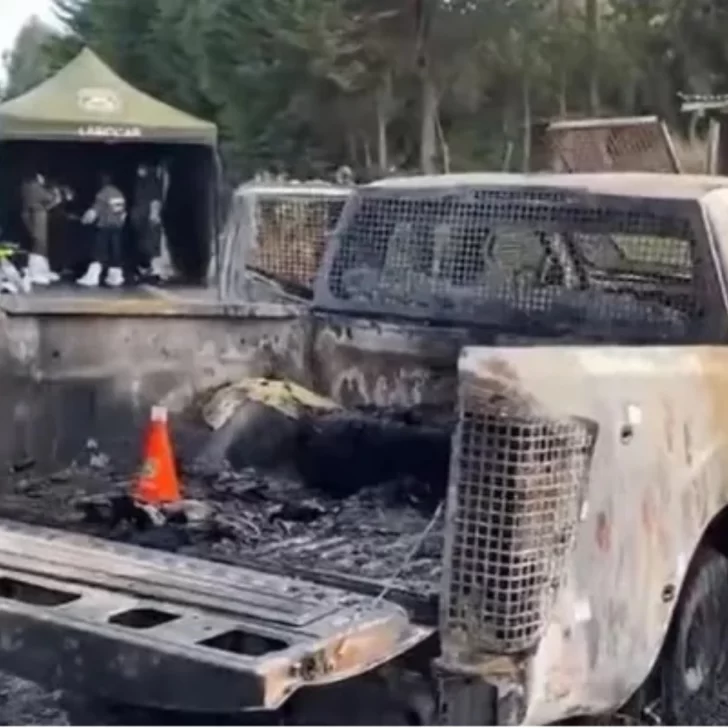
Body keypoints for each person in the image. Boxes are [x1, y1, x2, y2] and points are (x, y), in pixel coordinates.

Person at [77, 174, 127, 288]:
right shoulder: (119, 193)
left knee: (99, 253)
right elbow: (123, 213)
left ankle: (92, 278)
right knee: (115, 253)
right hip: (117, 227)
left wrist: (84, 220)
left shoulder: (103, 193)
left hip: (104, 227)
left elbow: (95, 211)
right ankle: (116, 278)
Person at [20, 173, 61, 285]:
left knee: (40, 241)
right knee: (39, 242)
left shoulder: (26, 186)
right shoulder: (34, 186)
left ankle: (42, 270)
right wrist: (55, 192)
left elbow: (46, 206)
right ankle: (35, 272)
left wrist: (55, 200)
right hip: (36, 215)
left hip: (37, 214)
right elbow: (49, 197)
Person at [130, 164, 164, 280]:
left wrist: (154, 214)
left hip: (148, 217)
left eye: (142, 168)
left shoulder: (151, 182)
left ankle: (153, 268)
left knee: (150, 243)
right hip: (141, 217)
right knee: (143, 243)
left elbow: (155, 200)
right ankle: (146, 267)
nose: (139, 170)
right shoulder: (140, 182)